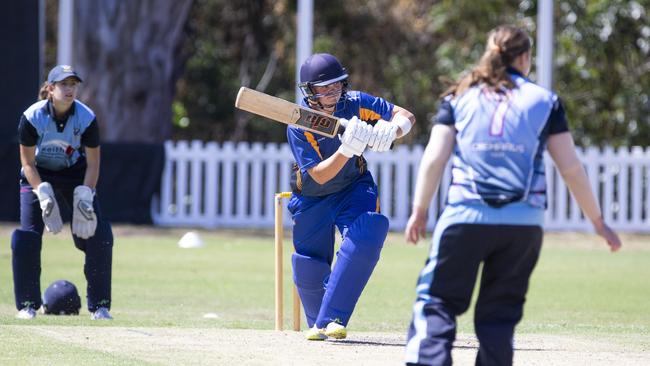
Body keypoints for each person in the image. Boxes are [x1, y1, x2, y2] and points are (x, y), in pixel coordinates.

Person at [403, 25, 621, 365]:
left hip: (465, 216)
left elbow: (434, 158)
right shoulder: (544, 101)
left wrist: (419, 210)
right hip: (523, 224)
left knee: (437, 301)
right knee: (498, 317)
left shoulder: (459, 95)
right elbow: (571, 169)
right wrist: (598, 221)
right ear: (524, 57)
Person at [287, 53, 415, 340]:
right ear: (310, 91)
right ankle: (321, 322)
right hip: (312, 197)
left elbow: (406, 115)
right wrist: (347, 149)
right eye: (323, 88)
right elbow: (319, 175)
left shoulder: (355, 102)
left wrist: (392, 130)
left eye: (336, 85)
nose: (332, 93)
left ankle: (333, 318)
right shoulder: (299, 123)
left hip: (353, 187)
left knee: (369, 230)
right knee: (308, 262)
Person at [12, 64, 114, 320]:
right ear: (50, 88)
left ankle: (100, 306)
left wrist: (86, 194)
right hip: (38, 174)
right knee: (26, 238)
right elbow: (27, 163)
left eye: (73, 85)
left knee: (100, 236)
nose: (69, 90)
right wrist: (42, 192)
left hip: (75, 173)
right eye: (64, 84)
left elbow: (93, 164)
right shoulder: (32, 116)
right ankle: (27, 305)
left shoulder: (86, 118)